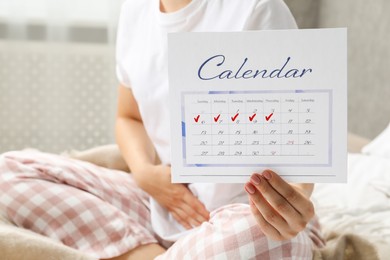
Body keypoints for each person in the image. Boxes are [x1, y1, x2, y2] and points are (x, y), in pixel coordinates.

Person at [0, 0, 324, 259]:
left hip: (246, 216)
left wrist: (293, 200)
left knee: (271, 240)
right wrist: (144, 174)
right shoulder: (134, 11)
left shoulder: (256, 9)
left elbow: (299, 135)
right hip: (164, 204)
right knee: (9, 171)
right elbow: (129, 117)